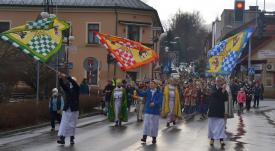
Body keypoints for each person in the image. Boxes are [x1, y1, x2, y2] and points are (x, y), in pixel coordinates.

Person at [57, 73, 80, 145]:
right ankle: (62, 138)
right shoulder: (68, 88)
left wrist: (68, 77)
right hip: (67, 108)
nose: (70, 83)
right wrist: (60, 78)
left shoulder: (77, 88)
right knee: (64, 124)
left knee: (72, 125)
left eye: (72, 81)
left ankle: (71, 138)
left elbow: (74, 83)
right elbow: (63, 86)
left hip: (74, 109)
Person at [208, 76, 228, 147]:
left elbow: (226, 100)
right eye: (217, 81)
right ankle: (212, 139)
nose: (219, 82)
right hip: (213, 110)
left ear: (222, 82)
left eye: (220, 81)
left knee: (221, 126)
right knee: (212, 126)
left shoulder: (224, 90)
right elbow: (214, 94)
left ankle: (221, 139)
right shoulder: (212, 88)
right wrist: (221, 90)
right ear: (215, 82)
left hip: (220, 110)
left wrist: (226, 111)